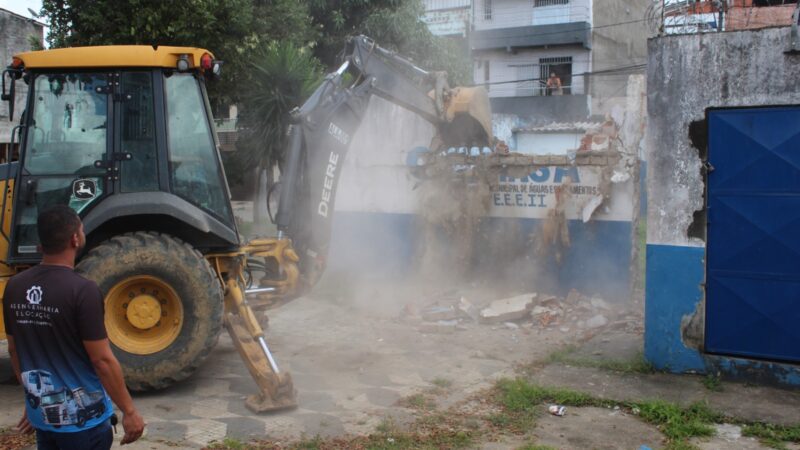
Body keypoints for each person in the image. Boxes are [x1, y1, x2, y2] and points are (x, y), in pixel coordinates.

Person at [3, 205, 145, 449]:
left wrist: (35, 400)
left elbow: (15, 351)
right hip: (83, 425)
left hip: (44, 421)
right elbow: (102, 360)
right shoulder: (82, 290)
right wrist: (129, 411)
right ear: (75, 238)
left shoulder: (15, 286)